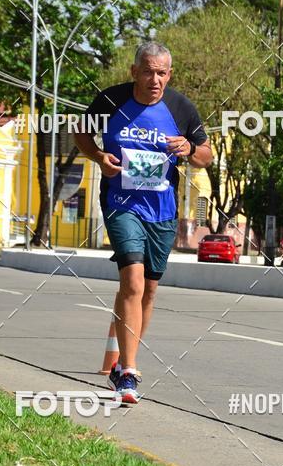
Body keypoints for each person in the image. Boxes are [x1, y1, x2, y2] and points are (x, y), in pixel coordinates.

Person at [75, 41, 212, 404]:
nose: (155, 79)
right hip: (121, 203)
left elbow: (206, 155)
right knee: (132, 281)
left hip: (162, 208)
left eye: (162, 73)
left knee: (149, 290)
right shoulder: (110, 100)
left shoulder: (181, 108)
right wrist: (99, 156)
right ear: (134, 71)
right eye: (148, 71)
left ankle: (121, 364)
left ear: (169, 75)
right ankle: (129, 373)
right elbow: (80, 134)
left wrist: (189, 150)